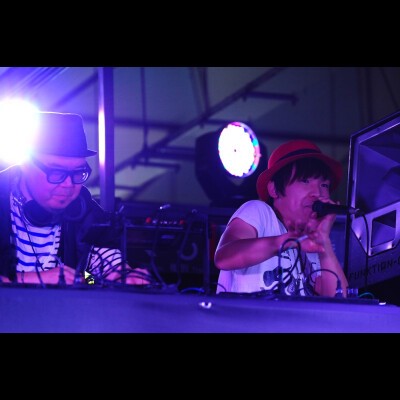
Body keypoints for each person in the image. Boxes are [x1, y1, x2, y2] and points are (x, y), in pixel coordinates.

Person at [0, 111, 150, 286]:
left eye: (78, 172)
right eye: (56, 172)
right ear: (26, 165)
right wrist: (30, 279)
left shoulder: (84, 209)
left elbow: (91, 275)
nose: (68, 184)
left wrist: (117, 277)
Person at [214, 139, 349, 297]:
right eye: (305, 181)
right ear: (273, 189)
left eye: (324, 185)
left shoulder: (313, 244)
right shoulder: (260, 212)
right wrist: (289, 240)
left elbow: (340, 301)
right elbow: (224, 257)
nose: (317, 193)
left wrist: (323, 240)